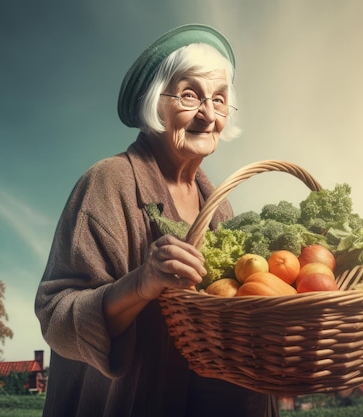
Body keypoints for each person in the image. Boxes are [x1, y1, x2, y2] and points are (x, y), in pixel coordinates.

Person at [34, 24, 279, 417]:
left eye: (219, 99)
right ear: (154, 102)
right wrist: (141, 283)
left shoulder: (219, 207)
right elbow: (56, 314)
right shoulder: (108, 181)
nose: (207, 113)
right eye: (189, 95)